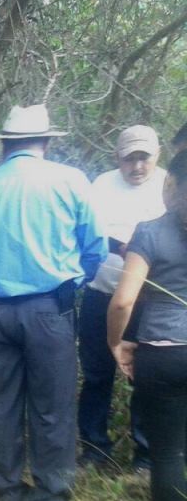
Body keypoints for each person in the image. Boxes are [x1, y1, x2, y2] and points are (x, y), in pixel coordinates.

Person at [0, 104, 106, 501]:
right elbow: (95, 247)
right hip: (48, 310)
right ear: (47, 141)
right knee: (52, 403)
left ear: (4, 144)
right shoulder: (69, 181)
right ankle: (51, 495)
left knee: (0, 402)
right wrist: (76, 281)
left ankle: (4, 490)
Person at [107, 149, 187, 501]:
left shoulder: (152, 233)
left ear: (170, 185)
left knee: (169, 454)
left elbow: (122, 299)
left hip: (165, 354)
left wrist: (116, 343)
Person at [78, 125, 166, 471]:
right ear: (118, 158)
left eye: (144, 158)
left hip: (150, 301)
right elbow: (87, 234)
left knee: (145, 376)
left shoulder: (169, 187)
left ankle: (144, 454)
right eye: (130, 159)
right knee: (97, 374)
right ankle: (94, 448)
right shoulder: (100, 185)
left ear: (157, 156)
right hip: (102, 294)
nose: (137, 166)